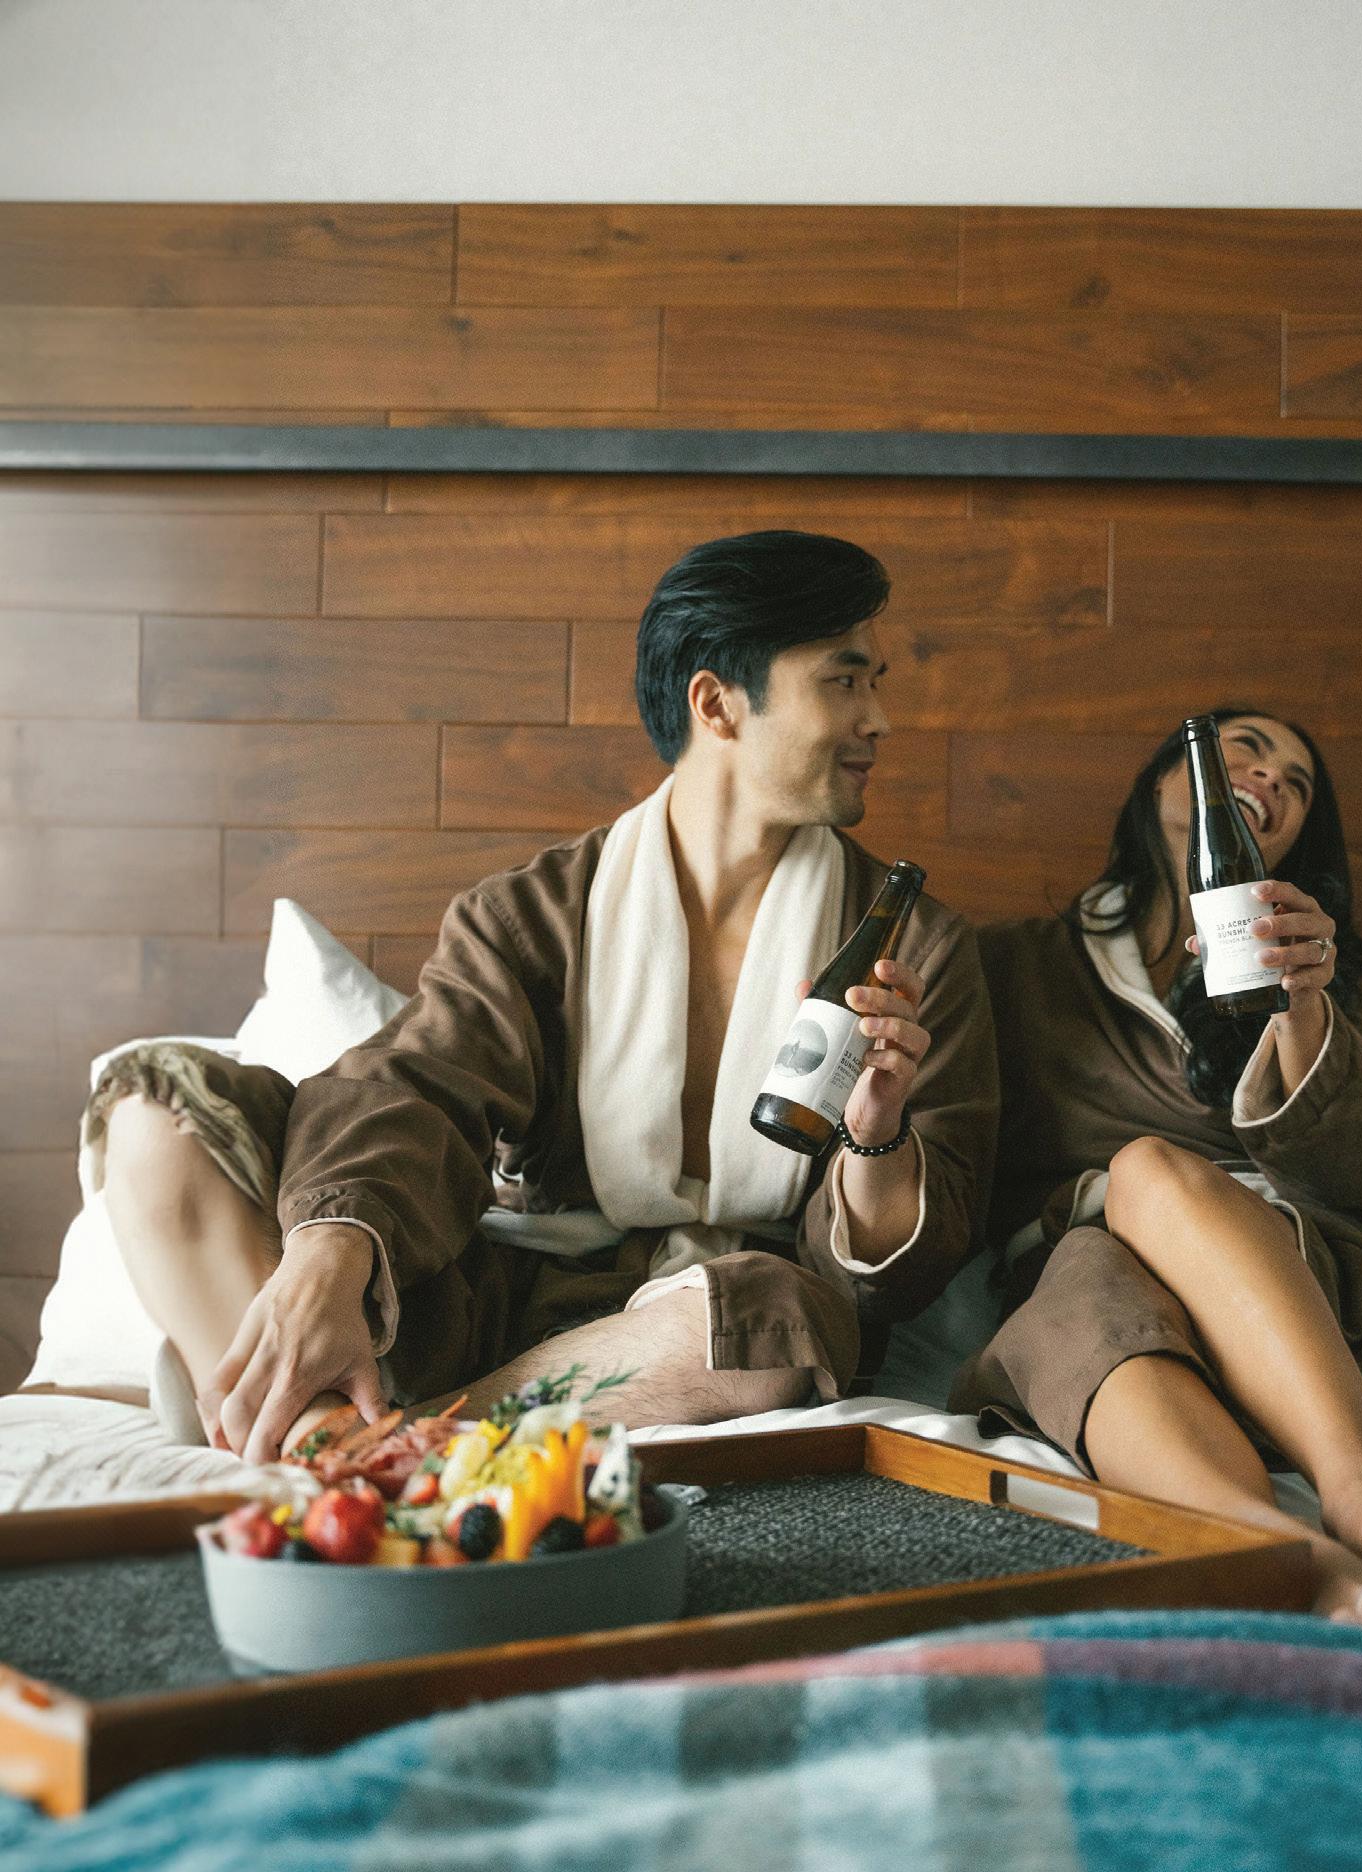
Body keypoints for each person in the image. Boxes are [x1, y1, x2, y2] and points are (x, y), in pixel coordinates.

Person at [83, 531, 998, 1466]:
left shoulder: (913, 949)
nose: (879, 718)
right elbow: (415, 1088)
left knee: (765, 1326)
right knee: (155, 1115)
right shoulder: (531, 915)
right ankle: (330, 1426)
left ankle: (382, 1448)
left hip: (696, 1332)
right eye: (845, 681)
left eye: (874, 683)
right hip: (492, 1299)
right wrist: (328, 1256)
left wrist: (875, 1135)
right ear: (716, 703)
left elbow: (905, 1269)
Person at [950, 707, 1362, 1632]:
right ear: (1164, 780)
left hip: (1294, 1289)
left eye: (1297, 780)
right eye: (1242, 746)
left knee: (1148, 1170)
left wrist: (1303, 1010)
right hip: (1082, 1297)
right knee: (1086, 1282)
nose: (1271, 775)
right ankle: (1292, 1558)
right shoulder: (1012, 964)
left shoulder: (1338, 979)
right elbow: (954, 1159)